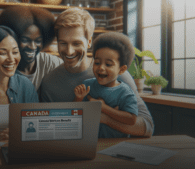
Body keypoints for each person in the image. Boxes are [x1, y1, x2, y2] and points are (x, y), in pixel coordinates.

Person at [39, 8, 154, 137]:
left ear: (89, 42)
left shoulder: (117, 75)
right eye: (63, 43)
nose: (69, 51)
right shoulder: (49, 83)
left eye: (76, 43)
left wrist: (105, 119)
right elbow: (47, 130)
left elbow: (147, 127)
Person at [74, 32, 138, 138]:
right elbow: (74, 113)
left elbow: (131, 119)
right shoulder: (87, 85)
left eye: (108, 64)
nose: (101, 68)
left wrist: (103, 108)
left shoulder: (125, 92)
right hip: (89, 141)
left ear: (121, 69)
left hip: (117, 143)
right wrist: (78, 98)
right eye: (97, 62)